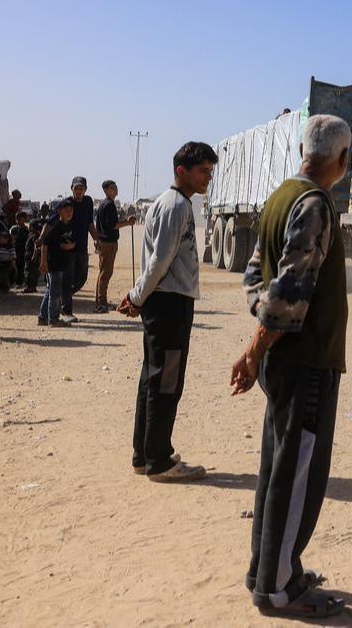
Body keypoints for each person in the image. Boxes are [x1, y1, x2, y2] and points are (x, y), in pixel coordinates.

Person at [231, 115, 351, 619]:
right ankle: (276, 587)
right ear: (342, 160)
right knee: (295, 472)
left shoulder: (282, 196)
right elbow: (288, 290)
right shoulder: (312, 204)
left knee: (276, 467)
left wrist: (258, 344)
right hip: (303, 361)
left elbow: (254, 277)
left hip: (286, 358)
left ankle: (268, 567)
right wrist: (257, 346)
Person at [119, 142, 218, 482]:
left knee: (153, 378)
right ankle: (159, 461)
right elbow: (159, 260)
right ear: (181, 171)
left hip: (165, 301)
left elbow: (156, 260)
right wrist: (136, 296)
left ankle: (143, 454)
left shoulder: (170, 203)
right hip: (170, 303)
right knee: (165, 382)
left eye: (209, 171)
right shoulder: (176, 205)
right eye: (202, 170)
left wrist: (138, 297)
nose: (207, 177)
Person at [93, 180, 137, 313]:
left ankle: (101, 300)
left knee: (103, 272)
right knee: (106, 273)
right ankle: (101, 303)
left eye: (116, 187)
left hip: (104, 242)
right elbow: (113, 225)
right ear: (106, 190)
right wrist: (128, 223)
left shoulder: (104, 205)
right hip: (108, 243)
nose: (115, 190)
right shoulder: (109, 205)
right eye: (112, 188)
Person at [64, 177, 99, 322]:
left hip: (82, 247)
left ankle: (63, 295)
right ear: (71, 188)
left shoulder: (88, 202)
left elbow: (90, 223)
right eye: (76, 188)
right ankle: (67, 311)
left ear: (85, 189)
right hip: (68, 248)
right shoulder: (66, 203)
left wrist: (96, 239)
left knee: (81, 278)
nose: (79, 191)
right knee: (69, 278)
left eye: (81, 188)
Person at [38, 199, 76, 327]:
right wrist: (43, 262)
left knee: (50, 291)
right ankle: (53, 319)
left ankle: (43, 317)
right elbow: (45, 243)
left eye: (71, 210)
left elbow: (68, 242)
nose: (69, 213)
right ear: (59, 212)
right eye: (66, 210)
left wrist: (71, 246)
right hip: (54, 264)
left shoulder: (69, 225)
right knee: (55, 294)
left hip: (61, 263)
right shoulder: (57, 227)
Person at [0, 216, 16, 292]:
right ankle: (3, 287)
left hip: (7, 263)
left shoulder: (10, 247)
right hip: (2, 263)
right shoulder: (1, 248)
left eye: (2, 239)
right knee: (2, 276)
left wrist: (13, 262)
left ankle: (5, 288)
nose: (0, 240)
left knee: (5, 276)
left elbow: (13, 255)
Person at [11, 212, 32, 290]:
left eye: (23, 219)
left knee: (23, 267)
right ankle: (17, 282)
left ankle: (22, 283)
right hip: (15, 251)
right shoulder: (14, 229)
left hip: (24, 251)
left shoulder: (27, 229)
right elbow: (12, 239)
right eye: (19, 219)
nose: (21, 221)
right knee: (17, 267)